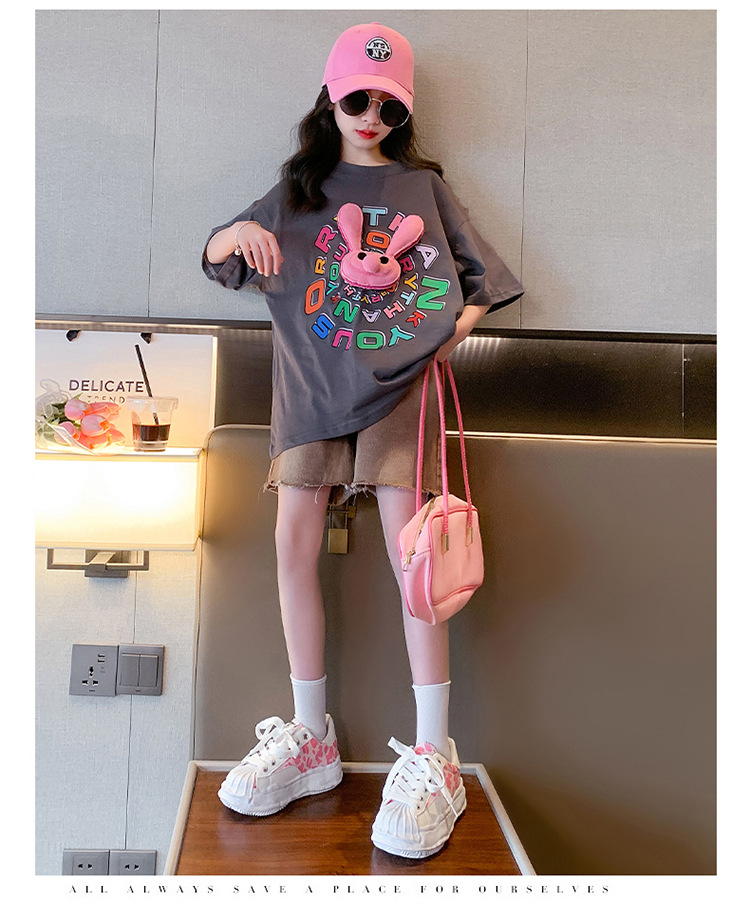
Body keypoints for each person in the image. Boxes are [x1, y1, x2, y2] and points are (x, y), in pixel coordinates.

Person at [202, 22, 523, 859]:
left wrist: (446, 335)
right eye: (357, 100)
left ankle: (433, 750)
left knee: (414, 565)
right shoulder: (298, 188)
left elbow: (483, 281)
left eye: (389, 105)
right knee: (291, 546)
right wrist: (234, 236)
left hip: (399, 391)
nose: (372, 116)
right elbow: (218, 256)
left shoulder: (422, 187)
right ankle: (311, 733)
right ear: (330, 101)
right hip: (310, 388)